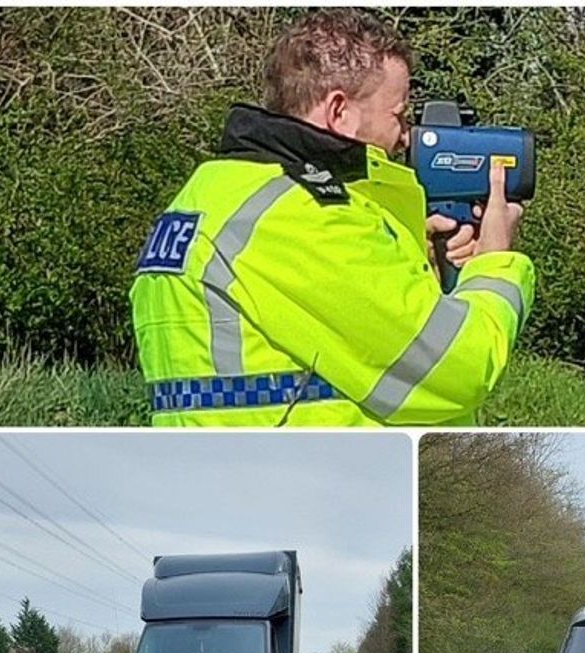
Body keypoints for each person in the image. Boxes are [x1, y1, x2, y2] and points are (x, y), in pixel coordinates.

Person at [132, 9, 534, 426]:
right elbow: (458, 371)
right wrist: (493, 262)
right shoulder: (305, 217)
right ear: (339, 111)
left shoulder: (210, 194)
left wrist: (418, 269)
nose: (404, 136)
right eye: (398, 114)